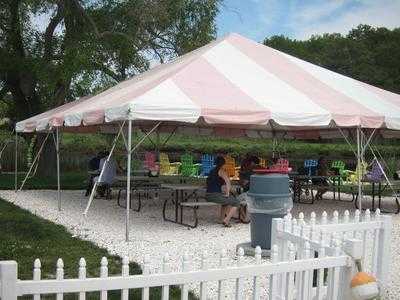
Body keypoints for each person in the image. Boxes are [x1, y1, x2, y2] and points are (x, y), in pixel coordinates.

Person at [206, 156, 243, 227]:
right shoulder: (222, 171)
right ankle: (226, 220)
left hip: (208, 195)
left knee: (225, 202)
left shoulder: (212, 171)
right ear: (224, 164)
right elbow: (228, 183)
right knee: (236, 203)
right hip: (215, 195)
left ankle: (221, 219)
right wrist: (227, 193)